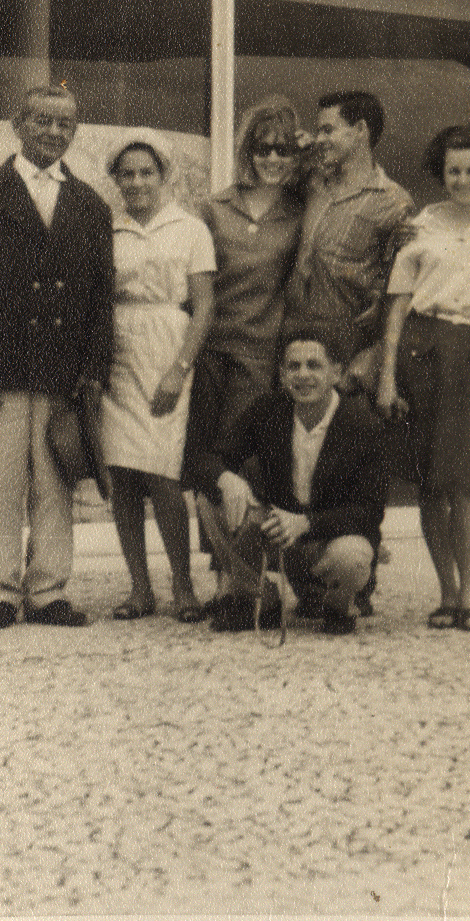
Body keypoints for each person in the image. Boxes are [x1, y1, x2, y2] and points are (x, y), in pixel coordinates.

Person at [0, 85, 115, 630]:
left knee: (54, 483)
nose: (53, 132)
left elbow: (100, 295)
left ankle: (47, 591)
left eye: (65, 124)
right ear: (18, 123)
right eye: (42, 121)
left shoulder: (90, 205)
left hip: (63, 374)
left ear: (75, 132)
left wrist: (93, 370)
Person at [286, 90, 413, 614]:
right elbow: (269, 165)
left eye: (330, 128)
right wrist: (303, 147)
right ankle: (311, 583)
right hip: (300, 346)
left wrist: (370, 367)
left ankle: (358, 586)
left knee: (351, 470)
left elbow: (397, 296)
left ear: (361, 131)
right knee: (298, 467)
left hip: (353, 354)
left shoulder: (393, 202)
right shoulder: (313, 182)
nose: (321, 138)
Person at [377, 125, 470, 632]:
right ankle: (447, 592)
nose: (463, 180)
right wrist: (387, 377)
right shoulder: (422, 225)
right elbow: (398, 306)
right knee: (431, 483)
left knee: (466, 483)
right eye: (454, 170)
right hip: (421, 350)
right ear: (441, 173)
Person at [183, 98, 304, 602]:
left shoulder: (300, 213)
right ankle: (223, 575)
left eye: (284, 150)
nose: (273, 159)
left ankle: (247, 572)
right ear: (246, 152)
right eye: (262, 149)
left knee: (249, 466)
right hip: (211, 355)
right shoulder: (213, 208)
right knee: (205, 465)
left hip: (261, 357)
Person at [198, 320, 388, 636]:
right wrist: (226, 478)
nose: (303, 375)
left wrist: (306, 523)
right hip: (279, 534)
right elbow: (208, 458)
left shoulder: (363, 425)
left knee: (352, 556)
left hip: (328, 538)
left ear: (336, 373)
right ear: (283, 375)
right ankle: (260, 599)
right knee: (210, 496)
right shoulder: (268, 410)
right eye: (293, 366)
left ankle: (338, 604)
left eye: (314, 365)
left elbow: (369, 512)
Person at [100, 130, 215, 623]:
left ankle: (183, 584)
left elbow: (205, 305)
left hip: (170, 344)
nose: (137, 182)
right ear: (117, 180)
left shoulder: (190, 229)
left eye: (147, 172)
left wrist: (180, 367)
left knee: (164, 474)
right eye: (127, 173)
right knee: (123, 474)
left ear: (163, 176)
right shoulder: (108, 230)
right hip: (119, 350)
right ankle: (139, 588)